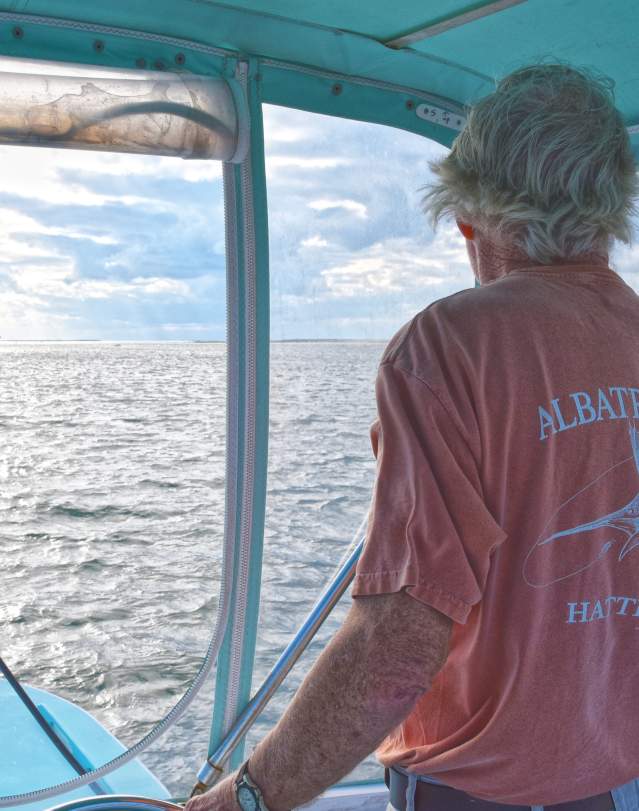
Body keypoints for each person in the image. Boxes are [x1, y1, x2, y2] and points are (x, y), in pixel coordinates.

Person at [185, 62, 639, 811]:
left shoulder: (447, 346)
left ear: (467, 214)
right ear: (607, 210)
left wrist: (248, 799)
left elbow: (393, 651)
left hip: (479, 788)